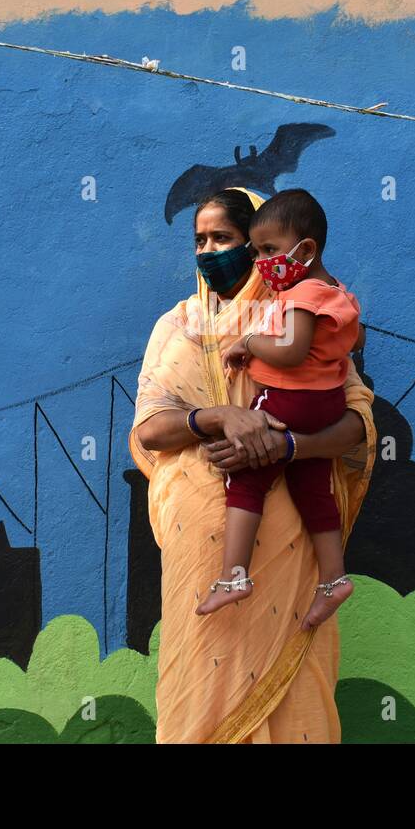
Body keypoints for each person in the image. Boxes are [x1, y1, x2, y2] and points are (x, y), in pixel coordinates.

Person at [129, 186, 376, 743]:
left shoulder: (300, 316)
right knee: (197, 692)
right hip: (200, 547)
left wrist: (284, 447)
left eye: (225, 238)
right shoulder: (179, 327)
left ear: (260, 245)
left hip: (289, 542)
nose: (209, 251)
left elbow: (354, 423)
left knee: (296, 696)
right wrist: (219, 418)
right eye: (199, 240)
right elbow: (149, 430)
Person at [196, 189, 362, 631]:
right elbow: (354, 340)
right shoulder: (335, 292)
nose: (263, 262)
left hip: (287, 400)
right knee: (313, 487)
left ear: (306, 249)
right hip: (326, 403)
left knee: (246, 476)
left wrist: (249, 342)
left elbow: (290, 351)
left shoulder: (300, 293)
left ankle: (233, 575)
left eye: (269, 250)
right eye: (259, 252)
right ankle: (333, 579)